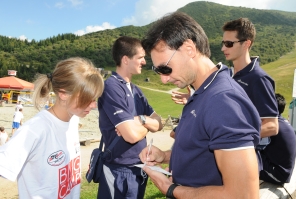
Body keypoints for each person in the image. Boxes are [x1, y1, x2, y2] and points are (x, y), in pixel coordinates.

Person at [139, 11, 261, 198]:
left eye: (165, 68)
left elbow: (243, 194)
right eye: (158, 71)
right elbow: (202, 148)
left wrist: (171, 189)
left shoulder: (222, 100)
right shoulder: (201, 92)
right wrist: (164, 156)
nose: (163, 80)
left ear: (189, 48)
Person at [0, 57, 104, 199]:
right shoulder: (35, 129)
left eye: (95, 99)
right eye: (88, 98)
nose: (93, 105)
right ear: (63, 94)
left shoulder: (73, 120)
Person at [97, 36, 163, 199]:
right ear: (126, 59)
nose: (144, 62)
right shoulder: (111, 87)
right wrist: (147, 125)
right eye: (140, 57)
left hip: (138, 169)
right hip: (119, 170)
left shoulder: (136, 91)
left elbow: (159, 123)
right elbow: (131, 136)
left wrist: (141, 119)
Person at [221, 18, 279, 148]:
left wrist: (232, 138)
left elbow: (272, 126)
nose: (223, 48)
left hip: (243, 153)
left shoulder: (259, 78)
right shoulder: (227, 75)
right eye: (223, 43)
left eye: (229, 43)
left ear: (246, 43)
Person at [260, 93, 296, 184]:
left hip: (279, 174)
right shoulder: (282, 122)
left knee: (245, 155)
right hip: (284, 170)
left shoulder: (272, 126)